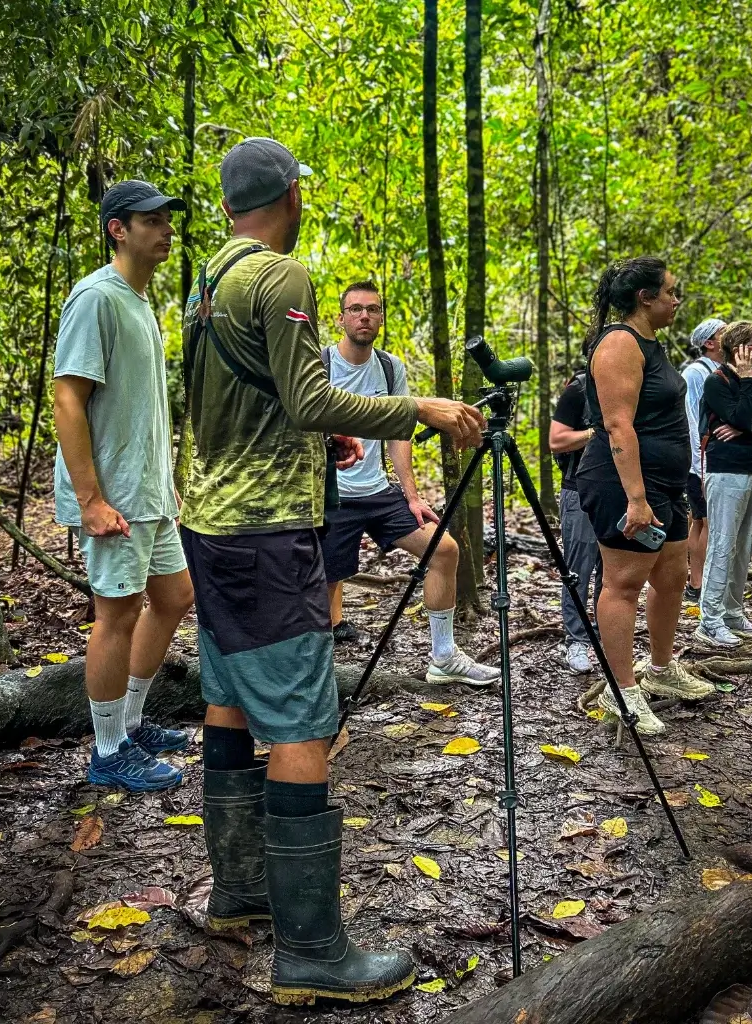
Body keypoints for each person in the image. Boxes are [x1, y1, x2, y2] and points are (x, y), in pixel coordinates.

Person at [180, 137, 485, 1005]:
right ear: (289, 195)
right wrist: (414, 408)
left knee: (231, 693)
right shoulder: (282, 277)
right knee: (305, 720)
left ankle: (240, 894)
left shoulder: (208, 282)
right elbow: (310, 394)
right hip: (268, 532)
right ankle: (312, 950)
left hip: (211, 518)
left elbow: (230, 401)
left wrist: (313, 436)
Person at [53, 181, 194, 792]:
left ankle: (130, 723)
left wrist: (167, 485)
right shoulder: (96, 298)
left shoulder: (139, 302)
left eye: (167, 220)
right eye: (151, 220)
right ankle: (107, 749)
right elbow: (67, 396)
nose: (165, 230)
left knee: (174, 597)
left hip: (150, 494)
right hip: (114, 498)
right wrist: (91, 500)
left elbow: (138, 409)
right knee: (116, 613)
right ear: (118, 228)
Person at [320, 280, 500, 686]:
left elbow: (399, 432)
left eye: (372, 309)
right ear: (341, 317)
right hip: (333, 495)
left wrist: (411, 495)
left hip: (379, 492)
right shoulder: (321, 364)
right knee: (324, 581)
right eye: (355, 309)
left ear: (381, 318)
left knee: (444, 550)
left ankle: (443, 656)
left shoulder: (389, 367)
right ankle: (318, 674)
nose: (364, 316)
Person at [575, 257, 715, 738]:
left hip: (665, 485)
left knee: (673, 575)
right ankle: (623, 692)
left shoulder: (653, 345)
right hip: (624, 484)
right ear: (645, 297)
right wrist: (636, 498)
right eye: (671, 292)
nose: (677, 300)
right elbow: (617, 424)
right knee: (623, 584)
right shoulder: (619, 343)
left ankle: (660, 669)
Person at [694, 321, 752, 649]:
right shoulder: (716, 381)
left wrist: (750, 427)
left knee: (746, 542)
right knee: (723, 543)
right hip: (727, 470)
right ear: (741, 348)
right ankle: (710, 619)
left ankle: (733, 612)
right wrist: (748, 412)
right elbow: (742, 414)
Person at [549, 369, 603, 673]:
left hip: (621, 492)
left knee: (612, 572)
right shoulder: (579, 389)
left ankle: (608, 638)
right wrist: (597, 432)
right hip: (579, 490)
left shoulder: (634, 385)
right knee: (578, 570)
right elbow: (557, 441)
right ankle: (576, 641)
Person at [681, 318, 726, 603]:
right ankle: (698, 584)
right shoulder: (695, 373)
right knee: (705, 521)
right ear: (709, 343)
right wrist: (700, 462)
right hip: (701, 461)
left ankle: (697, 582)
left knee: (701, 521)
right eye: (724, 333)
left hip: (714, 458)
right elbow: (691, 419)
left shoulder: (722, 372)